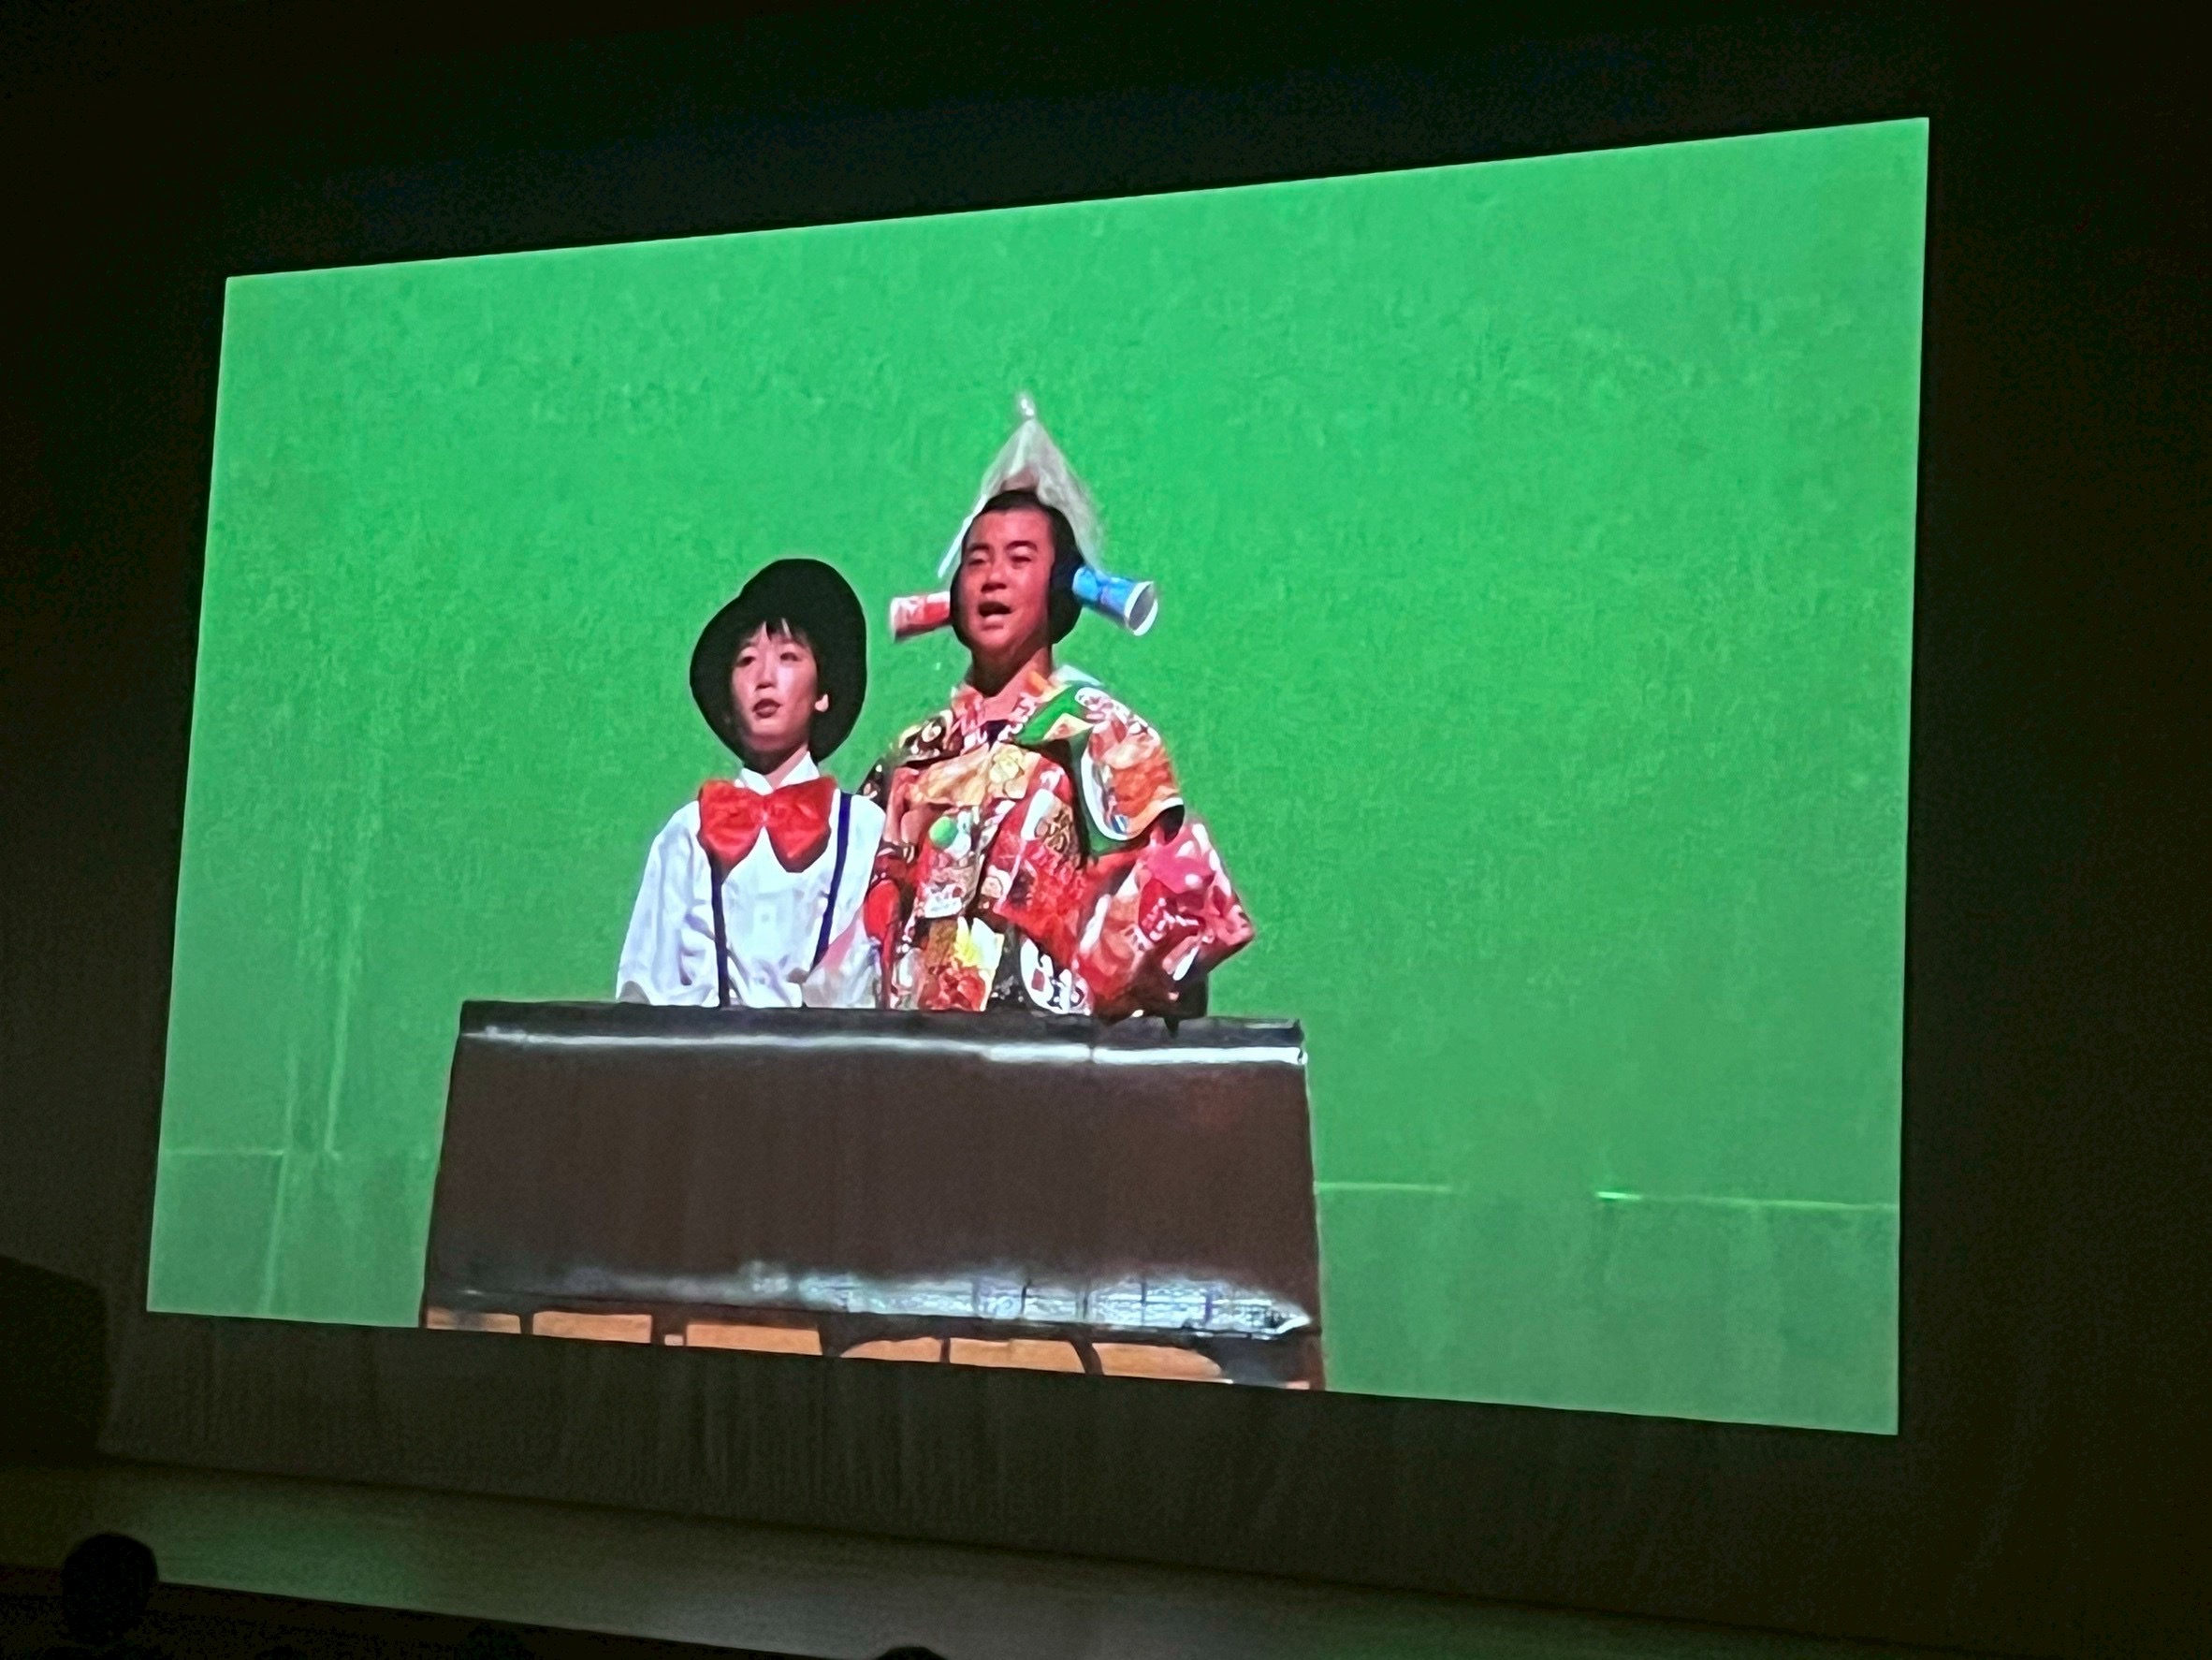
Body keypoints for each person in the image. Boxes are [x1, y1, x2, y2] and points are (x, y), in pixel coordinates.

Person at [864, 396, 1252, 1019]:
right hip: (913, 1050)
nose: (993, 578)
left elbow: (1162, 929)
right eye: (977, 560)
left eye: (1020, 559)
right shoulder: (913, 756)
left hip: (1050, 1053)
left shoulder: (1104, 735)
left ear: (1061, 586)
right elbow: (867, 912)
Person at [618, 558, 885, 1007]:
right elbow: (643, 989)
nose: (764, 678)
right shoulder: (687, 833)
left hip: (829, 1051)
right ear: (727, 700)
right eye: (746, 660)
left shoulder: (864, 830)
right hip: (705, 1051)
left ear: (822, 692)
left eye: (788, 657)